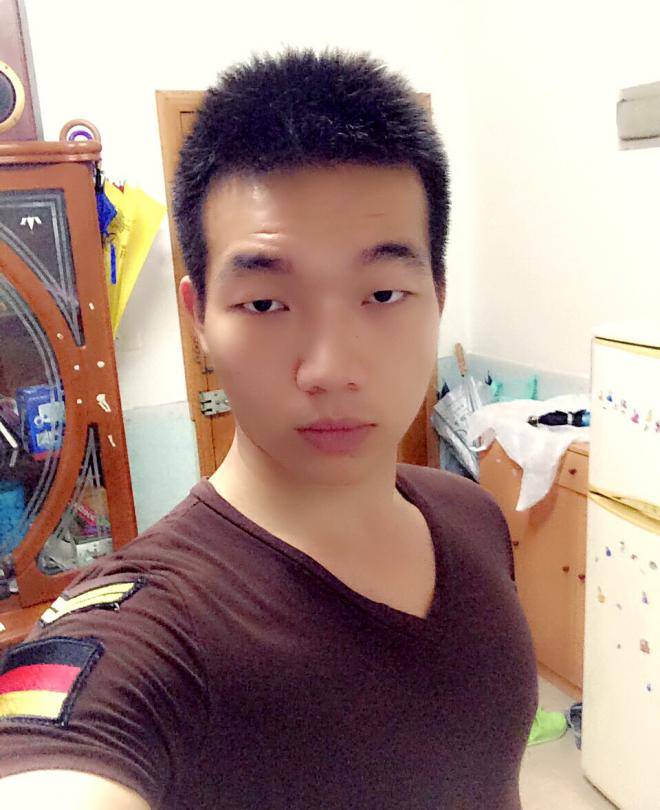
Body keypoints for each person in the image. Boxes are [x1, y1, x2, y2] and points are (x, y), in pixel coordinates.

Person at [0, 46, 538, 809]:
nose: (330, 368)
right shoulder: (152, 630)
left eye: (384, 294)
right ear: (199, 319)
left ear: (438, 296)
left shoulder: (472, 516)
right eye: (265, 303)